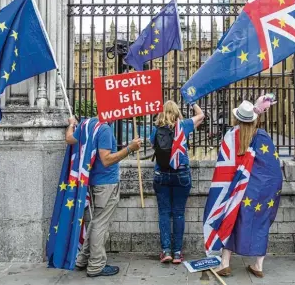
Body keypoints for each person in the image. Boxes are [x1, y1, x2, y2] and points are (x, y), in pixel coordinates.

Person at [209, 97, 282, 278]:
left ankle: (225, 263)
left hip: (240, 188)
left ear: (237, 119)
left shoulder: (232, 135)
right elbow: (273, 166)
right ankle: (258, 266)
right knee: (261, 223)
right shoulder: (262, 136)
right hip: (264, 189)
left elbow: (225, 164)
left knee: (232, 220)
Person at [65, 117, 142, 277]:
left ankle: (82, 260)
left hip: (94, 182)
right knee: (100, 225)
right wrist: (130, 148)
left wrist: (72, 124)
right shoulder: (105, 129)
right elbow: (106, 160)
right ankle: (96, 265)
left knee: (95, 222)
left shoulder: (87, 124)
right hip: (106, 184)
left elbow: (69, 138)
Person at [149, 100, 204, 264]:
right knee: (179, 213)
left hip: (161, 173)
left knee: (164, 212)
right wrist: (193, 102)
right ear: (177, 112)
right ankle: (178, 253)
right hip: (181, 173)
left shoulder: (155, 129)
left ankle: (166, 251)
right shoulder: (184, 125)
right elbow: (201, 115)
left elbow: (153, 146)